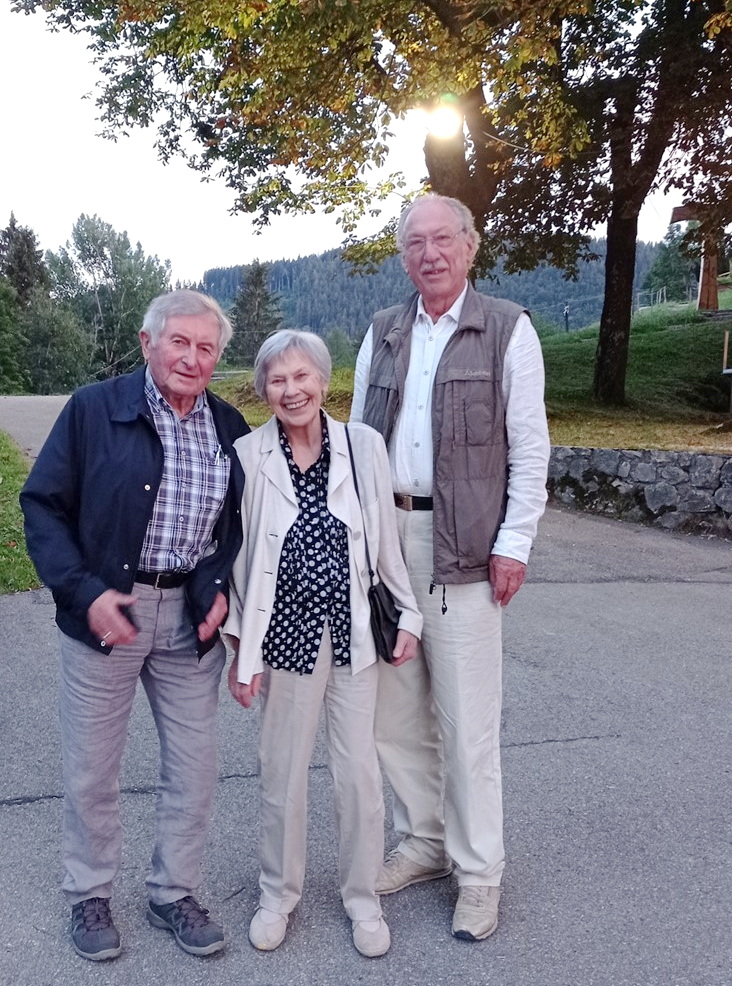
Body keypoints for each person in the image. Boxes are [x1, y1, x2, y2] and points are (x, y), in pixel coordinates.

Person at [20, 289, 249, 961]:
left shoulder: (229, 426)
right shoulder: (94, 409)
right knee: (93, 770)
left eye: (206, 348)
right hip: (107, 613)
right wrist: (83, 591)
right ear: (148, 343)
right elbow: (41, 505)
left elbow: (237, 528)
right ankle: (89, 894)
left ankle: (173, 892)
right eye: (179, 341)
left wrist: (218, 587)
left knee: (195, 769)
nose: (192, 358)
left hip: (187, 622)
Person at [350, 193, 551, 941]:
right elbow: (358, 441)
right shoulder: (383, 331)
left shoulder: (507, 329)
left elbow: (529, 447)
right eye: (415, 243)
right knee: (394, 715)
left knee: (467, 724)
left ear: (469, 247)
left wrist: (514, 543)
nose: (429, 254)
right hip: (387, 539)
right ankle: (425, 842)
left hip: (464, 543)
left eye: (442, 240)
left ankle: (478, 873)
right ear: (403, 255)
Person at [224, 330, 422, 958]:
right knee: (281, 774)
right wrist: (241, 652)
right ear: (263, 389)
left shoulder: (363, 446)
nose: (292, 390)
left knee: (359, 775)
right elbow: (240, 562)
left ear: (324, 381)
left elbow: (385, 541)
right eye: (278, 380)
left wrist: (409, 612)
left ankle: (363, 899)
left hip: (353, 635)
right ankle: (277, 895)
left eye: (302, 376)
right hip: (284, 639)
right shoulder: (248, 455)